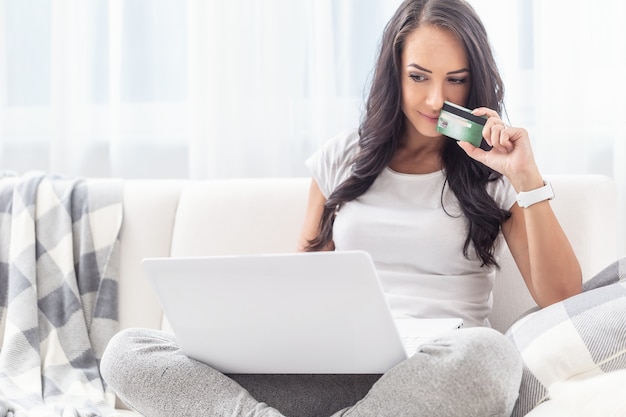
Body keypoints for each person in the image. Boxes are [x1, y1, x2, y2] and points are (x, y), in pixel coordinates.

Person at [100, 0, 626, 416]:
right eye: (418, 76)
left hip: (431, 374)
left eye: (455, 80)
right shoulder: (341, 159)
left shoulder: (493, 172)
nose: (434, 99)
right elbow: (303, 285)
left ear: (475, 81)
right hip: (329, 370)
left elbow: (560, 299)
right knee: (128, 352)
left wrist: (525, 176)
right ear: (393, 73)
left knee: (490, 358)